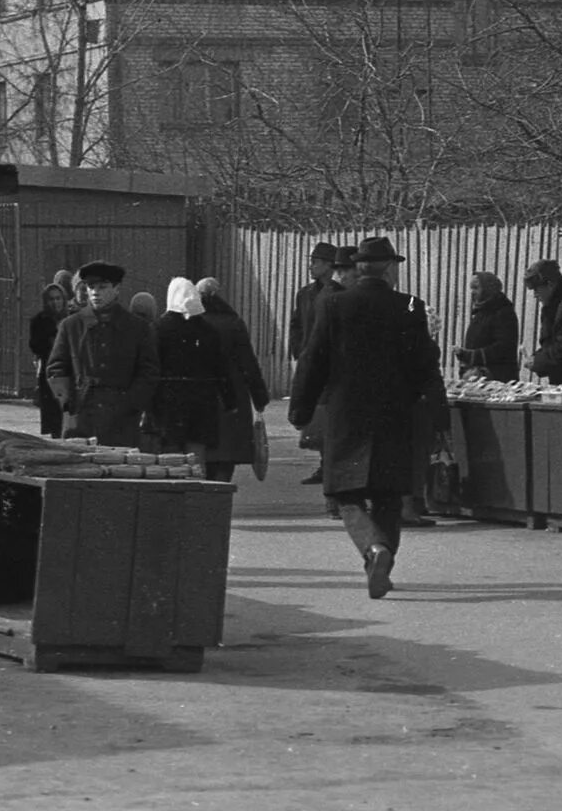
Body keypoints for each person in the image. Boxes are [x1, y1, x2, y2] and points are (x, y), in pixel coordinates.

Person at [288, 236, 450, 600]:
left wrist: (300, 409)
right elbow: (427, 367)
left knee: (346, 494)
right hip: (396, 414)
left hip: (347, 414)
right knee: (390, 495)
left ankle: (372, 549)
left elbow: (313, 362)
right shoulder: (410, 306)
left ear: (357, 268)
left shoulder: (333, 304)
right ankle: (385, 554)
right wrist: (440, 417)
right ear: (390, 268)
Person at [44, 260, 160, 448]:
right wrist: (68, 402)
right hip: (81, 414)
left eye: (103, 287)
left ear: (116, 289)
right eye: (91, 287)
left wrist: (131, 403)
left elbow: (149, 372)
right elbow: (56, 367)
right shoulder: (71, 325)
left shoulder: (138, 328)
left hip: (121, 418)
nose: (96, 292)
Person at [192, 277, 273, 482]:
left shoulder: (191, 323)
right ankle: (221, 494)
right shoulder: (232, 322)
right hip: (232, 399)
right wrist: (260, 397)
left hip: (200, 399)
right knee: (226, 456)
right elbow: (248, 363)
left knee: (204, 457)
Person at [149, 278, 230, 474]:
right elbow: (221, 368)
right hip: (202, 402)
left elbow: (151, 367)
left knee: (170, 456)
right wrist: (230, 399)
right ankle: (197, 491)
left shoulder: (159, 328)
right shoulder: (209, 331)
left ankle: (171, 496)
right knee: (197, 454)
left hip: (169, 402)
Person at [289, 243, 343, 484]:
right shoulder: (306, 294)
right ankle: (324, 463)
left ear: (329, 265)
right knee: (314, 413)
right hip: (310, 361)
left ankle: (330, 465)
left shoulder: (337, 293)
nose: (310, 266)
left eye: (315, 262)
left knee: (327, 415)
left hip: (329, 364)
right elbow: (296, 323)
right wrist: (299, 350)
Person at [456, 271, 521, 382]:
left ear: (488, 289)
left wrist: (471, 356)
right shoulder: (482, 312)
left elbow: (503, 347)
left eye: (476, 288)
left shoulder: (503, 312)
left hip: (498, 379)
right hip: (476, 378)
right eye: (471, 288)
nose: (472, 292)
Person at [28, 282, 71, 436]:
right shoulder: (39, 321)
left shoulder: (71, 318)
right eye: (51, 299)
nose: (55, 302)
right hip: (49, 372)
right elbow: (35, 345)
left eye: (58, 298)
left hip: (69, 372)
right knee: (51, 416)